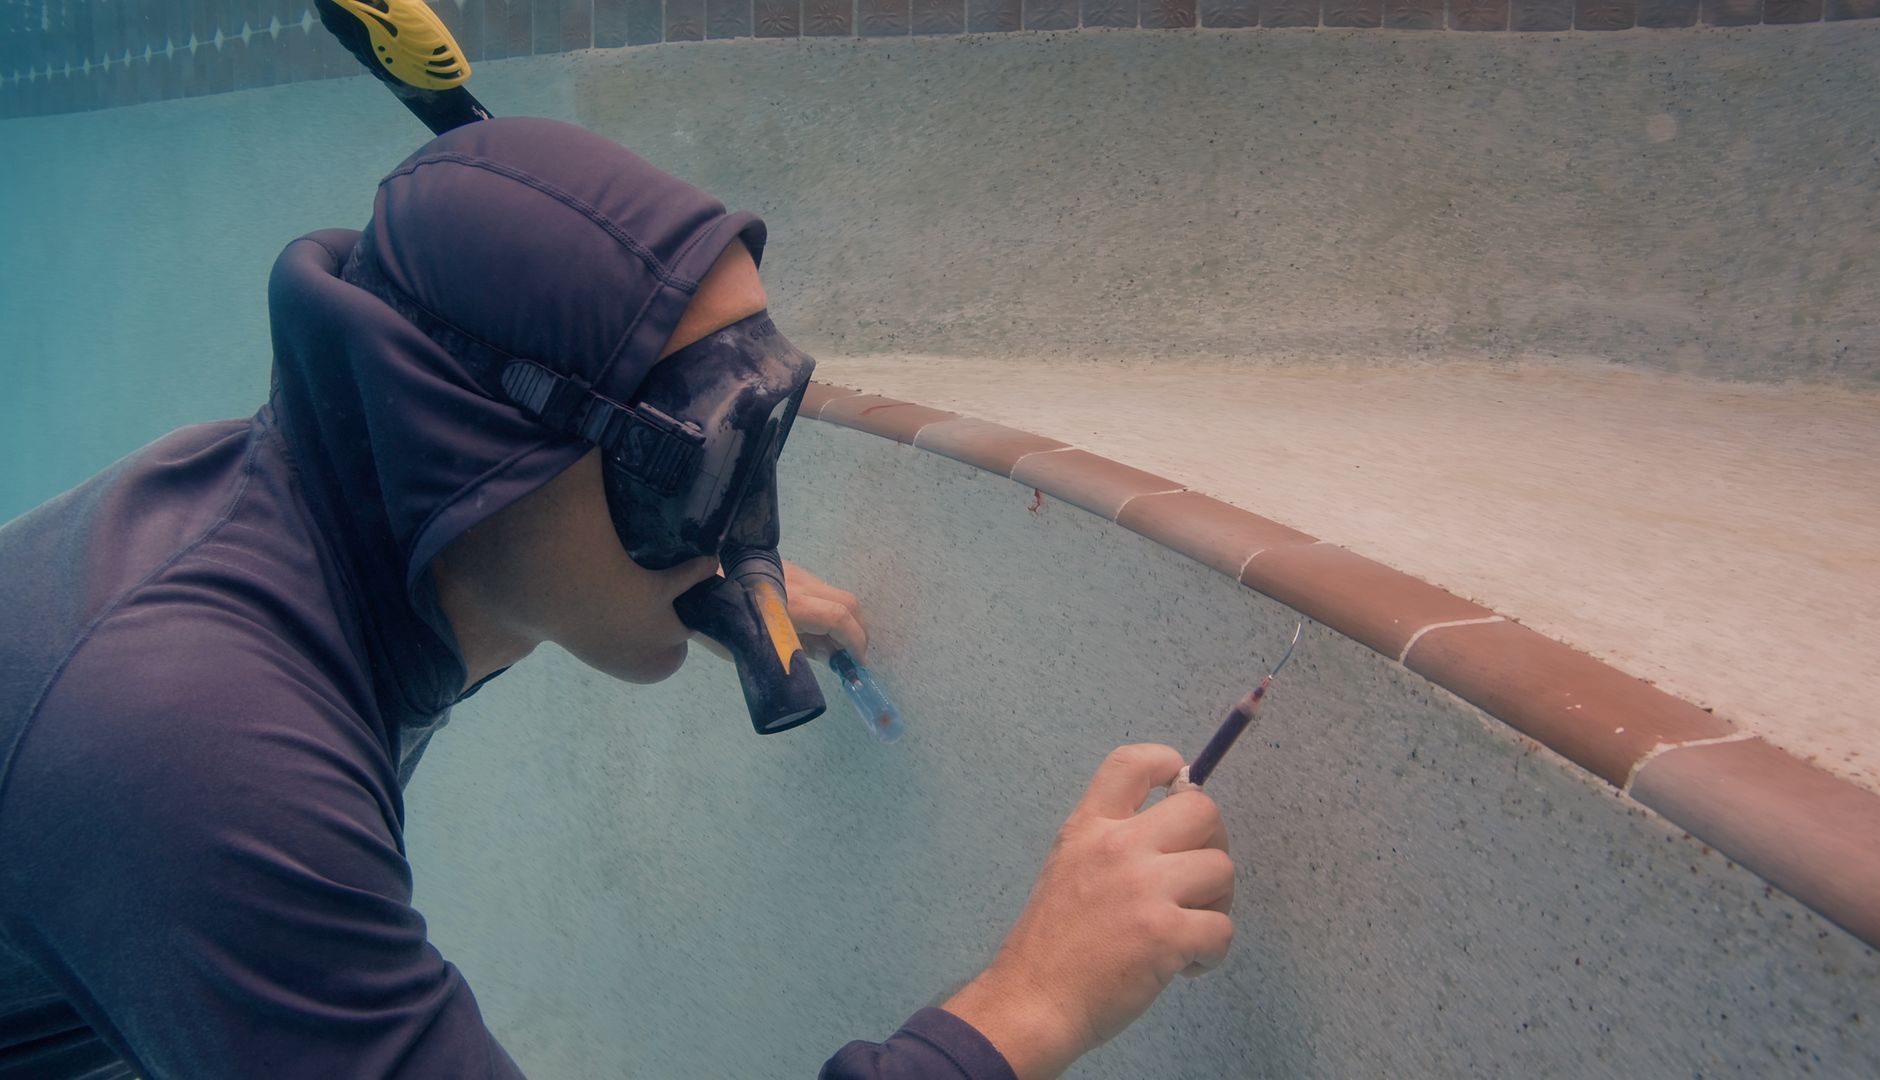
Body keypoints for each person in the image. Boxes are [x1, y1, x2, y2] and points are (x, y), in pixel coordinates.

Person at [0, 117, 1234, 1079]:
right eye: (702, 467)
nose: (747, 531)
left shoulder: (333, 512)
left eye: (764, 453)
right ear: (473, 457)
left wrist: (688, 549)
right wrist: (1031, 1005)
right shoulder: (194, 752)